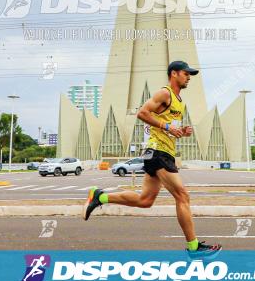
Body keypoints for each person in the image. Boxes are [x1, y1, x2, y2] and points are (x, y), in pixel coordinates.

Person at [83, 60, 222, 259]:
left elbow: (166, 126)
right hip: (157, 152)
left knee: (145, 200)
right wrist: (167, 128)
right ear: (174, 74)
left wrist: (181, 131)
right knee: (182, 196)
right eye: (186, 73)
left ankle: (100, 196)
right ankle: (193, 248)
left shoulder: (179, 101)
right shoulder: (164, 93)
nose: (189, 77)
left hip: (162, 152)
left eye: (190, 74)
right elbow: (142, 113)